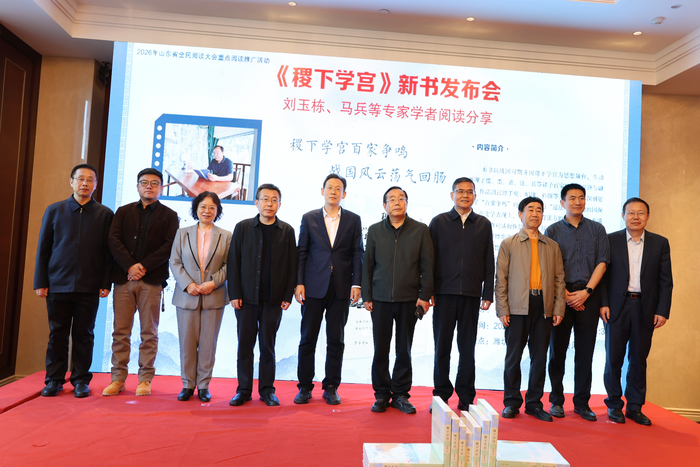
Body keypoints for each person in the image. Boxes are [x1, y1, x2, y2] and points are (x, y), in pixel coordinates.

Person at [34, 164, 113, 398]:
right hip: (57, 284)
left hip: (89, 286)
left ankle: (80, 380)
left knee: (84, 335)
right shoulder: (54, 210)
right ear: (71, 182)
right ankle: (54, 379)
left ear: (96, 185)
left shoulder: (104, 214)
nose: (84, 183)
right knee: (57, 334)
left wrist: (105, 283)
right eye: (80, 179)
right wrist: (41, 281)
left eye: (90, 180)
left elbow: (108, 253)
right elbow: (43, 248)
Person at [103, 168, 179, 397]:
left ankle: (145, 379)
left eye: (154, 183)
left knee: (149, 333)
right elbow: (113, 240)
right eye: (144, 182)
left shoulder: (169, 215)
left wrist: (143, 267)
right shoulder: (123, 211)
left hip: (152, 281)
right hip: (124, 279)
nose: (149, 186)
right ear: (137, 186)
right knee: (120, 332)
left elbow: (169, 246)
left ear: (161, 188)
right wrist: (130, 266)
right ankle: (118, 378)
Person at [600, 198, 672, 426]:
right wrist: (603, 303)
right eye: (631, 212)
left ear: (647, 216)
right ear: (623, 215)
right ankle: (614, 405)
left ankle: (634, 407)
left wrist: (662, 310)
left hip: (645, 308)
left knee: (639, 359)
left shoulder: (660, 243)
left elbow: (665, 281)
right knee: (613, 359)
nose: (636, 217)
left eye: (641, 213)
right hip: (616, 307)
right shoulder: (610, 240)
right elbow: (602, 276)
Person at [362, 186, 434, 414]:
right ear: (384, 205)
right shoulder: (375, 230)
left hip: (408, 299)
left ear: (406, 203)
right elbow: (368, 265)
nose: (396, 202)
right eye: (391, 199)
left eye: (401, 198)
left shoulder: (420, 230)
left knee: (404, 349)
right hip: (380, 299)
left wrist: (424, 296)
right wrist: (367, 295)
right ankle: (382, 394)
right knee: (380, 349)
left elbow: (427, 266)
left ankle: (401, 394)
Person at [293, 174, 364, 405]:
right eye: (329, 187)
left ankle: (331, 386)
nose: (333, 191)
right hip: (313, 287)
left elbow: (357, 253)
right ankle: (304, 386)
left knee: (336, 340)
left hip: (341, 288)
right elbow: (302, 251)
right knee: (308, 338)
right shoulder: (309, 218)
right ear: (322, 191)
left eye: (338, 188)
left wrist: (356, 284)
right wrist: (299, 282)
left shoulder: (353, 220)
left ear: (344, 194)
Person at [496, 197, 565, 422]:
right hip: (517, 307)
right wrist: (503, 308)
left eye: (539, 210)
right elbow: (501, 279)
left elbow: (559, 279)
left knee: (539, 357)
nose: (535, 214)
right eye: (530, 210)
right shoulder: (509, 244)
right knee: (513, 357)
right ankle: (511, 402)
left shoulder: (552, 246)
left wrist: (558, 308)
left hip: (543, 306)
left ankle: (534, 404)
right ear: (520, 214)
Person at [227, 183, 297, 407]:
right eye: (265, 199)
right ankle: (243, 390)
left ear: (279, 204)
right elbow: (233, 262)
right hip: (246, 299)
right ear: (256, 202)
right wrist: (234, 293)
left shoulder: (287, 231)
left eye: (274, 200)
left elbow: (292, 266)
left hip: (273, 300)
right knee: (245, 345)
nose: (269, 204)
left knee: (268, 346)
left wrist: (287, 295)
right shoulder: (243, 227)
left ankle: (267, 390)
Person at [545, 183, 609, 421]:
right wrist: (565, 294)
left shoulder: (597, 229)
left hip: (589, 296)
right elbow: (549, 265)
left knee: (585, 352)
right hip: (561, 297)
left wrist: (586, 292)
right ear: (563, 202)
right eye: (572, 198)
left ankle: (582, 403)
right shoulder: (552, 230)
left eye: (581, 197)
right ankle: (556, 401)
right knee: (557, 351)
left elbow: (602, 262)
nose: (577, 202)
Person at [429, 177, 494, 412]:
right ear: (452, 195)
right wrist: (428, 291)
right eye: (460, 191)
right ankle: (441, 396)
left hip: (471, 295)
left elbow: (488, 260)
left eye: (469, 192)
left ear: (475, 196)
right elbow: (429, 259)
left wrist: (487, 293)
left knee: (467, 349)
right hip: (443, 295)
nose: (465, 195)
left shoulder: (483, 224)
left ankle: (466, 396)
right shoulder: (439, 222)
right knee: (442, 348)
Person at [170, 192, 231, 402]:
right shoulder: (182, 233)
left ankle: (204, 385)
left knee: (208, 344)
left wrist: (213, 282)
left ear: (217, 211)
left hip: (214, 295)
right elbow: (175, 261)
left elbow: (229, 264)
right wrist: (188, 284)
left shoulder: (226, 236)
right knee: (187, 342)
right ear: (196, 208)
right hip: (187, 296)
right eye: (203, 206)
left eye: (212, 208)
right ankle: (187, 384)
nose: (207, 211)